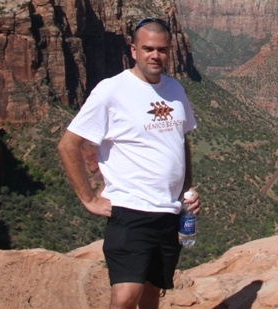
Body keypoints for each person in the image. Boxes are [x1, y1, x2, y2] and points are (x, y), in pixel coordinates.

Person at [58, 17, 200, 309]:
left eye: (161, 49)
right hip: (130, 212)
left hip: (169, 211)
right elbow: (68, 144)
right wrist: (88, 198)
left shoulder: (175, 90)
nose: (155, 55)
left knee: (152, 292)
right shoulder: (111, 90)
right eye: (147, 48)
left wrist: (187, 189)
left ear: (169, 50)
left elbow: (181, 141)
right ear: (133, 49)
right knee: (124, 298)